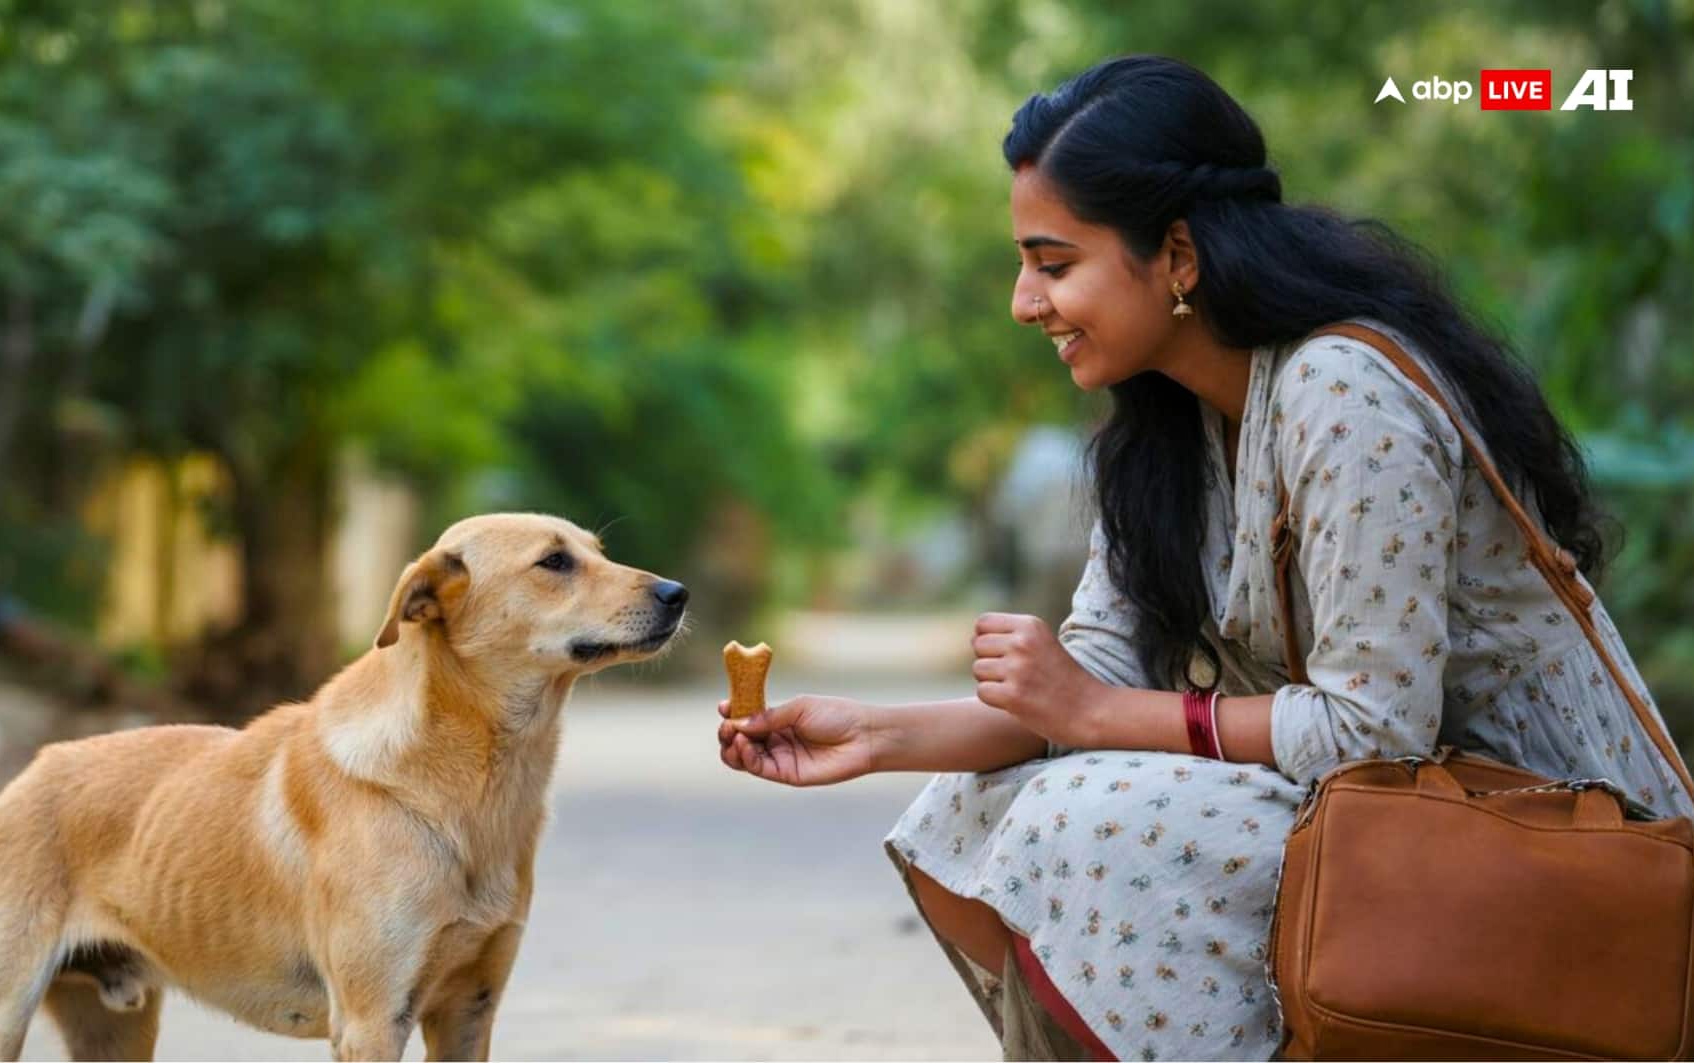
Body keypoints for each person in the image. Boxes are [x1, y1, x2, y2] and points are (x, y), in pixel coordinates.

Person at [715, 54, 1694, 1062]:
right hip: (1368, 831)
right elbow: (1092, 677)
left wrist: (1098, 715)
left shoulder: (1342, 392)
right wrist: (874, 732)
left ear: (1177, 255)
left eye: (1054, 265)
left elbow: (1373, 729)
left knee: (1092, 823)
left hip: (1544, 846)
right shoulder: (1165, 432)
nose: (1023, 302)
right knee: (972, 805)